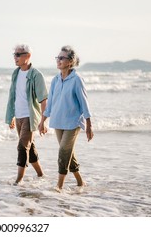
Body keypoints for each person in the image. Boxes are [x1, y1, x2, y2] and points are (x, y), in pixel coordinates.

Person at [39, 45, 94, 192]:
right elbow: (50, 103)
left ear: (70, 61)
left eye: (62, 58)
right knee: (69, 153)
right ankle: (80, 182)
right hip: (57, 121)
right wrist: (42, 121)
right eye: (58, 57)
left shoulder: (76, 79)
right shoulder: (55, 80)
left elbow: (84, 103)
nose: (58, 60)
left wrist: (89, 125)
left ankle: (59, 186)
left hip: (73, 122)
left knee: (63, 151)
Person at [5, 44, 48, 185]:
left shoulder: (36, 75)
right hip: (18, 116)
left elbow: (43, 99)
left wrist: (43, 121)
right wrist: (11, 116)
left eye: (18, 54)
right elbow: (13, 96)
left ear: (27, 56)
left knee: (22, 147)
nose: (15, 57)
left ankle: (19, 180)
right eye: (14, 54)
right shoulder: (16, 73)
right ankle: (41, 174)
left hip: (30, 117)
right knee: (30, 146)